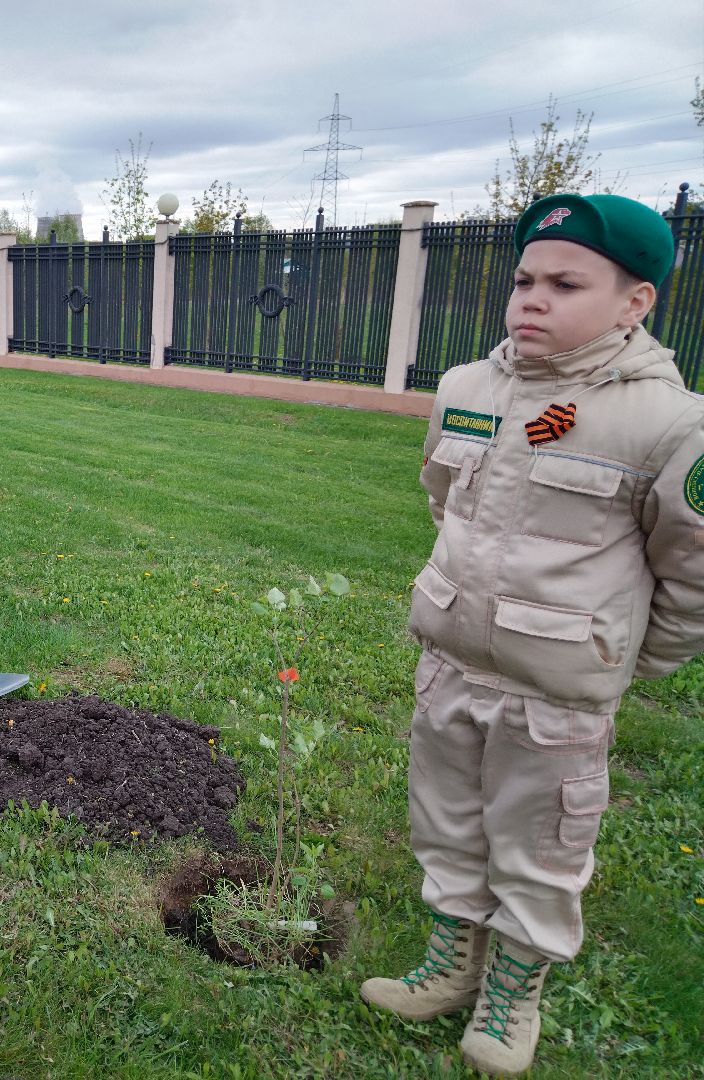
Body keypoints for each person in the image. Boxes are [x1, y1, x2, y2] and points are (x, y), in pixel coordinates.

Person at [361, 193, 704, 1077]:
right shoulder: (467, 390)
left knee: (540, 847)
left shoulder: (670, 423)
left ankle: (512, 998)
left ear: (635, 301)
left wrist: (620, 658)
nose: (533, 300)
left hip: (556, 697)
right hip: (450, 667)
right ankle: (450, 968)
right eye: (524, 280)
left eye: (566, 284)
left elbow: (692, 570)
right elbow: (447, 501)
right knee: (446, 826)